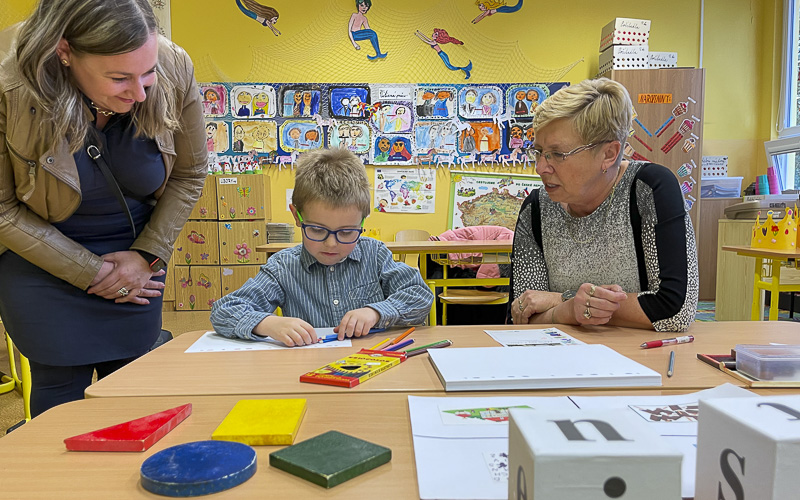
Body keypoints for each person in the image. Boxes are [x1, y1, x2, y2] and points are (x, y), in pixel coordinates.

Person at [0, 0, 207, 417]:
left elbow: (190, 173)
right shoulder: (11, 86)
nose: (140, 92)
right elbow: (3, 209)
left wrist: (147, 255)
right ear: (65, 53)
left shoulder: (174, 66)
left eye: (148, 73)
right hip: (38, 261)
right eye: (119, 78)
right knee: (58, 397)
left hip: (138, 264)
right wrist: (93, 272)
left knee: (136, 393)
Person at [509, 78, 698, 332]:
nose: (541, 167)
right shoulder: (535, 209)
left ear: (608, 154)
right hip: (559, 361)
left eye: (558, 154)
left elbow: (675, 310)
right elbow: (521, 315)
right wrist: (569, 308)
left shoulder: (649, 190)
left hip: (642, 361)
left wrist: (561, 301)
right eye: (539, 151)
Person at [210, 148, 433, 346]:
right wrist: (268, 323)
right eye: (317, 230)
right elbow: (224, 310)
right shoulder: (283, 267)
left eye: (346, 232)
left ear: (363, 221)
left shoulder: (375, 255)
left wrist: (375, 312)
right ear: (296, 216)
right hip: (307, 372)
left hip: (373, 365)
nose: (331, 243)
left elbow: (420, 296)